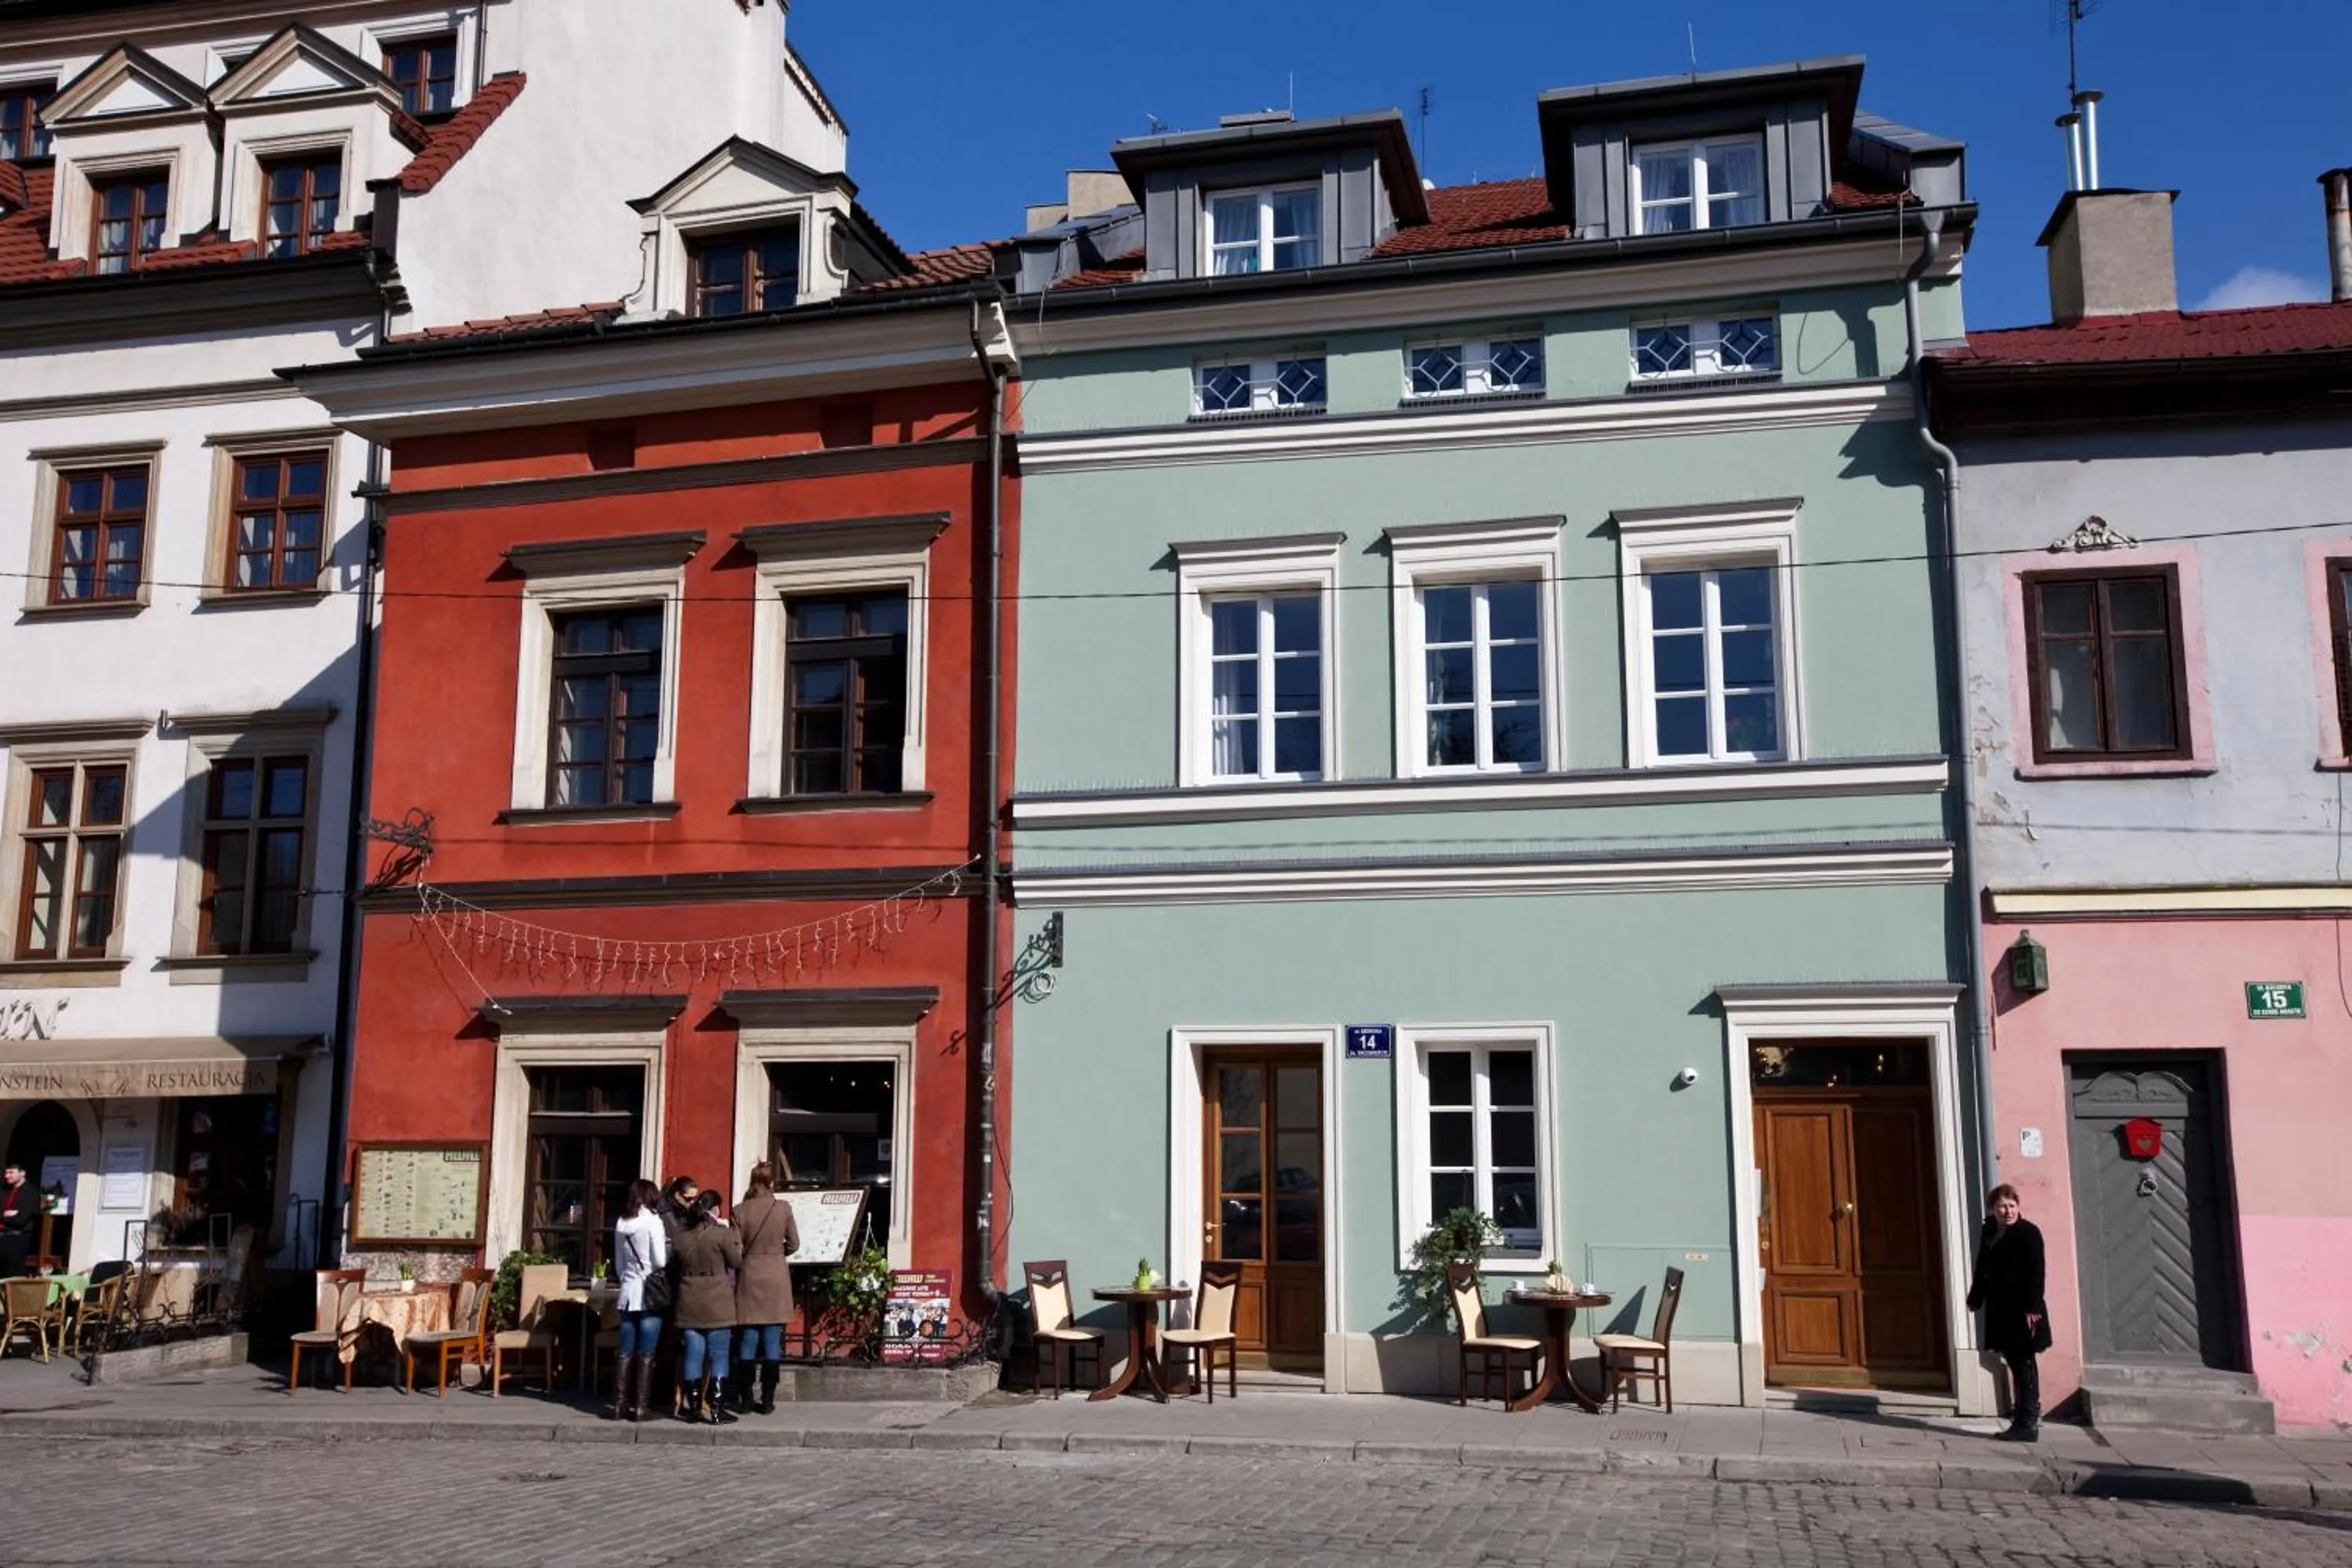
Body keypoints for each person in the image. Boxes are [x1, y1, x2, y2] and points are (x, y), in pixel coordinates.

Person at [1966, 1183, 2051, 1441]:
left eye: (2012, 1206)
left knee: (2023, 1362)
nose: (2008, 1211)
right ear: (1992, 1209)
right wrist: (1976, 1297)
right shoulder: (1990, 1231)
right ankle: (2024, 1415)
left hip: (2023, 1309)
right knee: (2015, 1360)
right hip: (2001, 1307)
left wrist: (2033, 1307)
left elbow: (2037, 1272)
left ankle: (2027, 1422)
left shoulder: (2028, 1233)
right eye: (2002, 1206)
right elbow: (1984, 1266)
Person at [731, 1162, 800, 1415]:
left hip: (750, 1276)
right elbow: (795, 1243)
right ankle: (769, 1399)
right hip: (776, 1276)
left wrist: (750, 1259)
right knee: (772, 1340)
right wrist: (775, 1254)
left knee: (748, 1340)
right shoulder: (782, 1208)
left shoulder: (739, 1211)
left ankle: (746, 1398)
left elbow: (735, 1250)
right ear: (772, 1182)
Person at [670, 1185, 742, 1424]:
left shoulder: (680, 1235)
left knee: (693, 1354)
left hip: (689, 1297)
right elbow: (736, 1261)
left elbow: (674, 1264)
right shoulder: (721, 1234)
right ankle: (717, 1408)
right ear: (714, 1209)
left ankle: (693, 1409)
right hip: (717, 1299)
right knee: (719, 1355)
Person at [608, 1179, 669, 1422]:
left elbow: (619, 1262)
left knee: (624, 1351)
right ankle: (641, 1406)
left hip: (627, 1292)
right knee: (646, 1352)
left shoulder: (622, 1221)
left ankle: (619, 1404)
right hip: (649, 1292)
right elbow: (660, 1261)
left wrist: (627, 1278)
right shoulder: (653, 1221)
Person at [0, 1163, 38, 1279]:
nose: (7, 1176)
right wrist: (5, 1214)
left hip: (17, 1238)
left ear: (22, 1173)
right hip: (2, 1237)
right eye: (6, 1173)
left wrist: (5, 1215)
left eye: (11, 1172)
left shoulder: (31, 1192)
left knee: (13, 1274)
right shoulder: (4, 1191)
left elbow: (21, 1219)